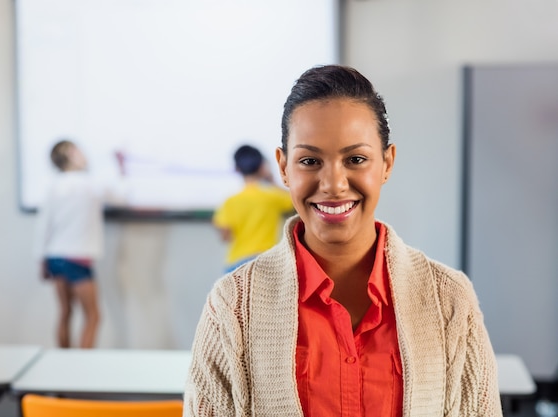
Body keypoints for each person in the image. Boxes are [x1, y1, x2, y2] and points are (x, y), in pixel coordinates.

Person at [184, 65, 502, 416]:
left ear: (387, 162)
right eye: (309, 160)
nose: (334, 184)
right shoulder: (231, 309)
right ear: (284, 168)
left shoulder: (450, 301)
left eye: (355, 159)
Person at [34, 139, 126, 349]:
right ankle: (81, 368)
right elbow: (121, 197)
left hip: (54, 257)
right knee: (93, 316)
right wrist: (121, 167)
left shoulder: (53, 187)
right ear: (71, 155)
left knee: (65, 312)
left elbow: (43, 226)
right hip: (78, 257)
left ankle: (63, 362)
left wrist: (41, 260)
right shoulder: (91, 184)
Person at [213, 144, 294, 272]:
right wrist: (271, 180)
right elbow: (295, 200)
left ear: (237, 169)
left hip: (236, 263)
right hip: (265, 261)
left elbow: (225, 235)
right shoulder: (272, 197)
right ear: (262, 167)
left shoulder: (230, 201)